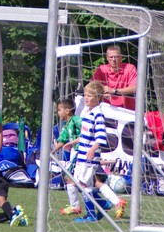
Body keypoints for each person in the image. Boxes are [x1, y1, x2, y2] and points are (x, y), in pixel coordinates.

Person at [72, 81, 126, 221]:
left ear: (98, 98)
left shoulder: (98, 114)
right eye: (85, 95)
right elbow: (86, 135)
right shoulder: (88, 113)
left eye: (90, 96)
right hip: (83, 154)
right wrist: (73, 142)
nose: (86, 98)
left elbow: (101, 136)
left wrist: (92, 149)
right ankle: (107, 203)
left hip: (88, 156)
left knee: (84, 184)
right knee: (90, 182)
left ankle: (91, 214)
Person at [51, 97, 83, 215]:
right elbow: (62, 140)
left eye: (59, 110)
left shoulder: (76, 120)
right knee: (82, 180)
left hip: (82, 153)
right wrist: (52, 151)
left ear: (67, 111)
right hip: (77, 154)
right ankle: (106, 203)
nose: (58, 113)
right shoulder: (67, 125)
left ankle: (75, 206)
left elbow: (87, 130)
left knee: (70, 177)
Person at [92, 45, 137, 110]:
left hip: (126, 110)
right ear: (107, 58)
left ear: (121, 57)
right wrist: (103, 91)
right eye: (111, 57)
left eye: (116, 57)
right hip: (105, 109)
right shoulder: (101, 69)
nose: (113, 59)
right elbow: (92, 86)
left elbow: (135, 88)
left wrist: (114, 91)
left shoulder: (130, 68)